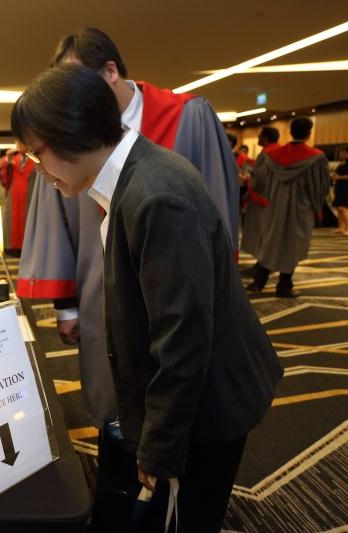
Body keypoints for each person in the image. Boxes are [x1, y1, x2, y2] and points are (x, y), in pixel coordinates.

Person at [12, 63, 282, 533]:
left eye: (36, 153)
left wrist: (159, 449)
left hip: (207, 401)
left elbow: (182, 339)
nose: (39, 171)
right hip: (191, 391)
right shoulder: (132, 174)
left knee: (184, 519)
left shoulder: (156, 196)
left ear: (72, 132)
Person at [16, 27, 238, 430]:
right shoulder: (72, 149)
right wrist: (66, 303)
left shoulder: (181, 132)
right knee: (122, 380)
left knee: (177, 364)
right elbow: (60, 216)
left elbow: (185, 325)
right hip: (102, 282)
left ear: (110, 72)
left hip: (181, 296)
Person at [247, 117, 331, 297]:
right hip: (301, 209)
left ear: (291, 132)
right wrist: (317, 208)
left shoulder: (273, 156)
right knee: (293, 245)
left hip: (275, 207)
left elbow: (260, 182)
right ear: (308, 134)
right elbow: (321, 187)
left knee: (271, 241)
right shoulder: (316, 157)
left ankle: (258, 282)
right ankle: (284, 286)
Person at [242, 127, 280, 266]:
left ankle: (262, 264)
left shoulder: (267, 154)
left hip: (262, 199)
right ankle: (262, 264)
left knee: (260, 232)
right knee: (267, 232)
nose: (258, 138)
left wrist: (250, 185)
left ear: (266, 137)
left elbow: (260, 179)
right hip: (275, 198)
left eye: (260, 136)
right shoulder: (279, 151)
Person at [0, 146, 36, 256]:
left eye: (22, 143)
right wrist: (7, 159)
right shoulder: (13, 159)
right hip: (13, 199)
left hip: (30, 198)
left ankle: (29, 247)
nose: (19, 145)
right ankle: (12, 248)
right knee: (12, 223)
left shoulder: (35, 158)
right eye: (17, 143)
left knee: (29, 221)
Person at [332, 147, 348, 236]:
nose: (342, 154)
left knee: (343, 208)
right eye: (341, 152)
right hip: (339, 187)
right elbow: (337, 174)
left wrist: (340, 177)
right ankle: (341, 228)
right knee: (338, 208)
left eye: (344, 152)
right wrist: (334, 177)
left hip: (346, 188)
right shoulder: (341, 163)